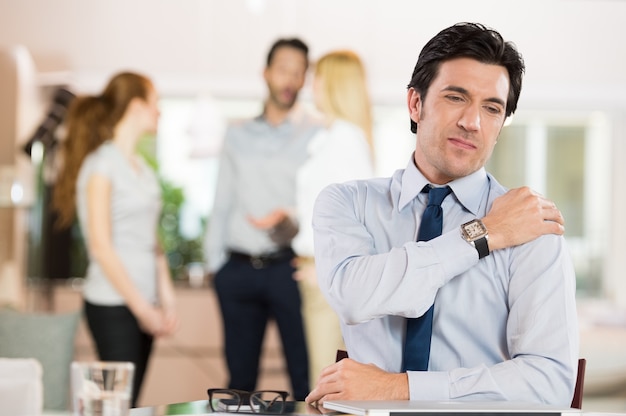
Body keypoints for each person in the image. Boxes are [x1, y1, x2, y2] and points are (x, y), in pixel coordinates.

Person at [306, 22, 579, 406]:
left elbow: (550, 383)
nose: (472, 122)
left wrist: (399, 389)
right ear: (415, 104)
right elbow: (354, 297)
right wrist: (483, 233)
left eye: (491, 108)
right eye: (456, 97)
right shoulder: (347, 204)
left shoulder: (533, 226)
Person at [204, 38, 321, 401]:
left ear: (305, 80)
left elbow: (321, 204)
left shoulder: (318, 133)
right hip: (236, 269)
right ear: (266, 73)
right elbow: (221, 201)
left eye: (298, 72)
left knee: (306, 379)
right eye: (283, 69)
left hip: (289, 268)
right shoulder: (237, 134)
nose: (290, 79)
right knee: (238, 382)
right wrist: (215, 267)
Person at [52, 72, 178, 407]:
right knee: (116, 405)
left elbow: (152, 239)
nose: (159, 112)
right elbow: (101, 247)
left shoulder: (143, 169)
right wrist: (142, 310)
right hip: (112, 304)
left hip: (144, 303)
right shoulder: (101, 166)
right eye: (155, 103)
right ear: (137, 105)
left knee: (131, 404)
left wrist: (165, 297)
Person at [293, 50, 375, 387]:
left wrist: (325, 269)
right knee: (326, 383)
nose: (311, 85)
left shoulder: (343, 139)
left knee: (325, 387)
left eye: (318, 77)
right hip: (320, 273)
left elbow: (355, 218)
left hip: (328, 277)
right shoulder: (331, 137)